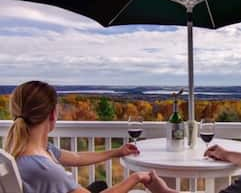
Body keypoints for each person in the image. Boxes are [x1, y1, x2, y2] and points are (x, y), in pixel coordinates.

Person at [4, 81, 151, 193]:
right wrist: (136, 177)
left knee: (100, 185)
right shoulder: (45, 169)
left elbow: (77, 157)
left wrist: (116, 152)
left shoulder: (26, 150)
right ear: (52, 114)